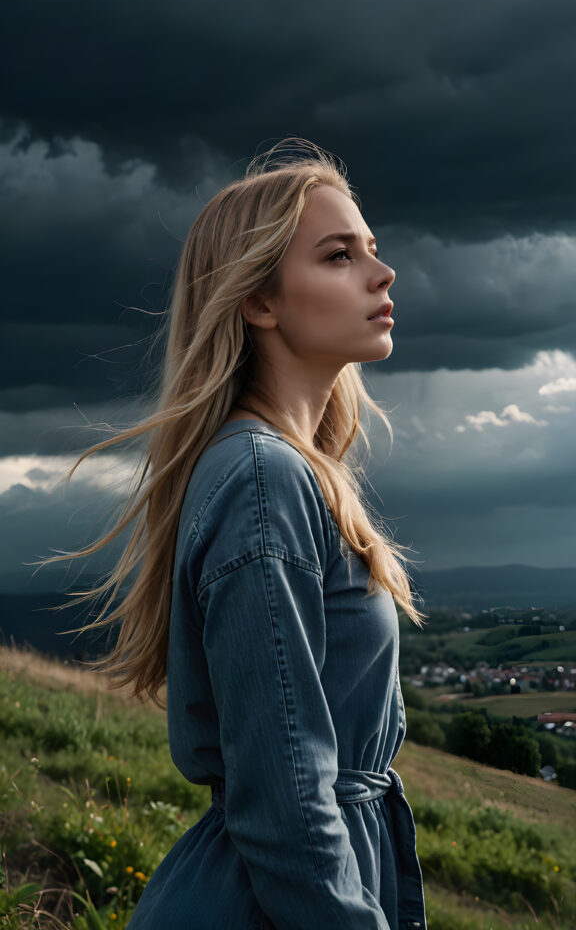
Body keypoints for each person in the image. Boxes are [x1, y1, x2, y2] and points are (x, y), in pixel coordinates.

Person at [65, 140, 427, 929]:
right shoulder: (264, 478)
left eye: (372, 248)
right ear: (259, 301)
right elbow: (286, 807)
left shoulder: (291, 470)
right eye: (339, 255)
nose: (382, 272)